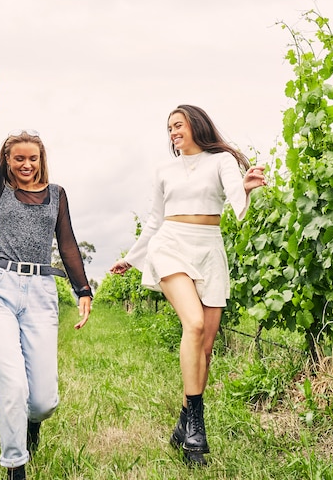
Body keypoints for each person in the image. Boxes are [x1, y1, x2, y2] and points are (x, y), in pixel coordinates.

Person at [109, 104, 266, 467]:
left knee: (206, 347)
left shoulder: (221, 161)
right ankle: (197, 427)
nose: (173, 133)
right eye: (169, 128)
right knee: (193, 324)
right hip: (171, 244)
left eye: (178, 125)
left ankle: (183, 422)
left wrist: (246, 189)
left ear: (195, 125)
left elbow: (236, 205)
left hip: (210, 248)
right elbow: (154, 221)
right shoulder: (164, 169)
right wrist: (131, 258)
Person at [0, 56, 93, 480]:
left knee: (41, 401)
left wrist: (83, 290)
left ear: (41, 161)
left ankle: (31, 426)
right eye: (19, 158)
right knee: (12, 386)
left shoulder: (57, 195)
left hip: (41, 292)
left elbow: (68, 243)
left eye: (33, 159)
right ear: (8, 162)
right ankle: (15, 466)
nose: (26, 164)